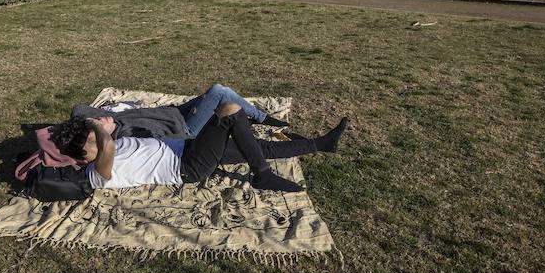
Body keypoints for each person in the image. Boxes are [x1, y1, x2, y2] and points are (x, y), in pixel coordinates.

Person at [52, 103, 348, 194]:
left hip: (189, 147)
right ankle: (261, 175)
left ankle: (321, 144)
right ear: (85, 156)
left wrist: (90, 124)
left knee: (257, 146)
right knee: (229, 112)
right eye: (92, 142)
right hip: (187, 167)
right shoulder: (98, 173)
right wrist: (97, 130)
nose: (99, 139)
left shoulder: (107, 144)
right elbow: (105, 149)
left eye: (94, 137)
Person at [71, 83, 289, 140]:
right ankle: (262, 118)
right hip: (184, 127)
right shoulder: (123, 135)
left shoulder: (112, 121)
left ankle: (256, 117)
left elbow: (78, 109)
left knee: (220, 93)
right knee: (219, 91)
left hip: (174, 112)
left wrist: (97, 120)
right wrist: (103, 129)